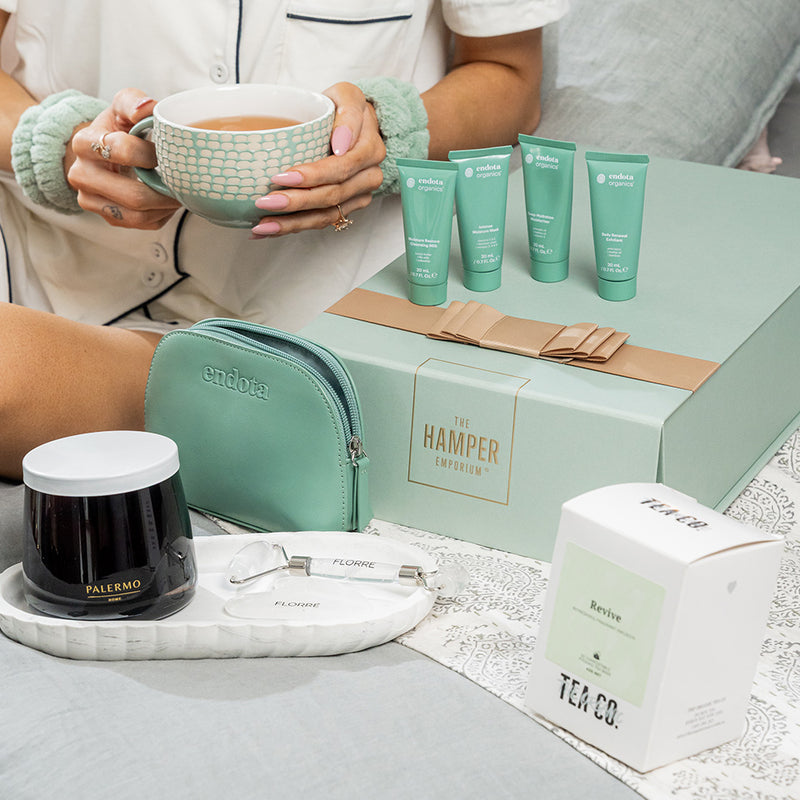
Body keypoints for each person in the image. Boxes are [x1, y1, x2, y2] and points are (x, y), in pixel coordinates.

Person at [0, 0, 567, 479]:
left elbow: (511, 77)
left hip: (325, 298)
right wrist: (59, 143)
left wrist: (385, 135)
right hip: (54, 286)